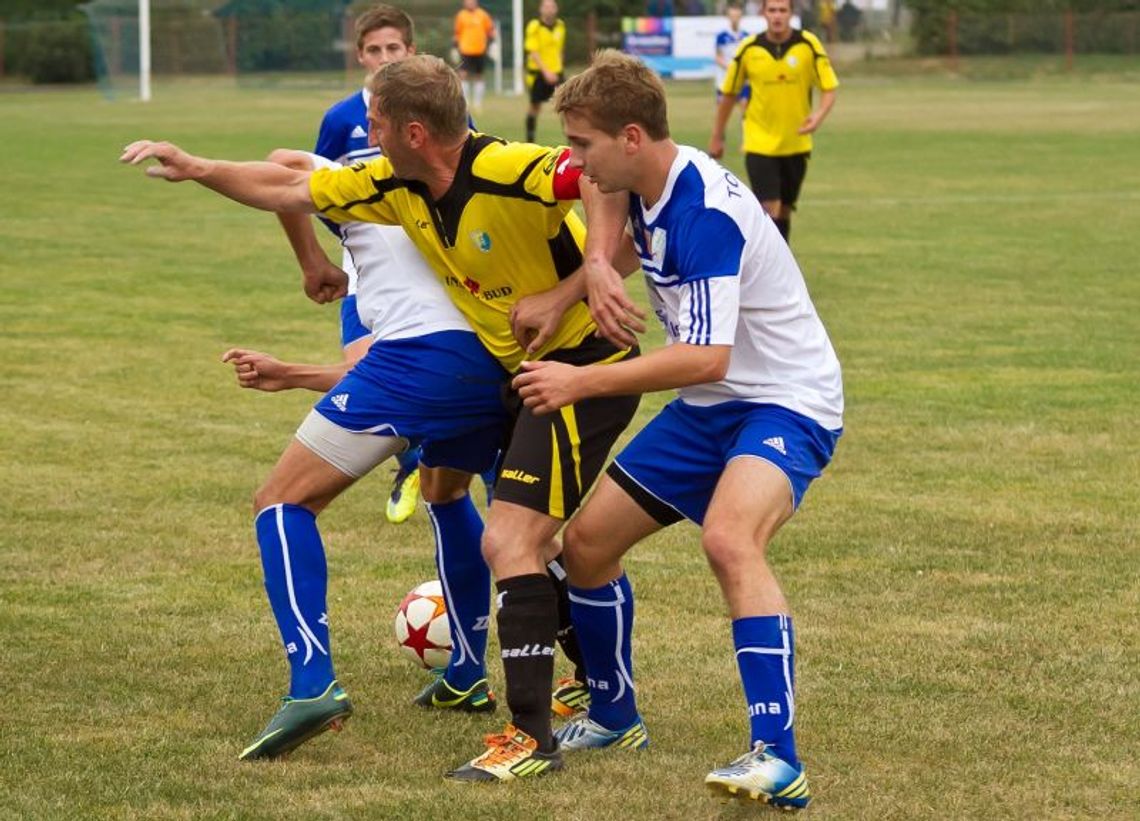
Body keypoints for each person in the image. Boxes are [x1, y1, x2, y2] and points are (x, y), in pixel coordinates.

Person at [121, 54, 641, 781]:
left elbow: (601, 172)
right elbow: (288, 183)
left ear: (416, 131)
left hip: (584, 366)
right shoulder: (390, 180)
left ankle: (525, 730)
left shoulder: (509, 167)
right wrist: (198, 166)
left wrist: (581, 280)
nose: (361, 133)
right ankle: (595, 703)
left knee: (510, 537)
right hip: (517, 376)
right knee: (519, 532)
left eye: (374, 123)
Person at [512, 49, 843, 809]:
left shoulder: (703, 212)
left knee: (730, 537)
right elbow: (618, 222)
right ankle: (615, 715)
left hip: (786, 402)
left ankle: (778, 755)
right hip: (712, 409)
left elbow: (703, 357)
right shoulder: (647, 178)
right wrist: (576, 284)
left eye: (584, 144)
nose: (575, 161)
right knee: (587, 546)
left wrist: (578, 379)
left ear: (631, 136)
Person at [314, 4, 426, 524]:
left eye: (394, 49)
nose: (384, 59)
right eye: (375, 50)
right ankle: (411, 459)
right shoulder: (340, 120)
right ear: (361, 55)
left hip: (427, 265)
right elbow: (314, 191)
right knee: (360, 366)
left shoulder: (437, 108)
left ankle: (448, 457)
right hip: (364, 268)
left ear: (411, 51)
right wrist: (349, 243)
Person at [709, 0, 838, 244]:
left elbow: (829, 88)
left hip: (796, 143)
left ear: (791, 13)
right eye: (772, 10)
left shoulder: (808, 44)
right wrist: (718, 135)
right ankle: (769, 274)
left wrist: (819, 115)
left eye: (782, 10)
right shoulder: (749, 49)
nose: (777, 16)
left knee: (784, 211)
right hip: (759, 142)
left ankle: (780, 269)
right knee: (770, 210)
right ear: (763, 13)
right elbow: (729, 95)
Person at [523, 0, 566, 143]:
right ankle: (530, 141)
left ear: (556, 9)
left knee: (566, 107)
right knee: (535, 107)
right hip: (539, 73)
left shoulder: (560, 26)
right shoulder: (534, 26)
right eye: (546, 6)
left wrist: (559, 69)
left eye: (552, 6)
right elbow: (533, 52)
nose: (549, 9)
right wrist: (546, 72)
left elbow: (559, 50)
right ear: (541, 9)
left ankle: (571, 141)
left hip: (557, 72)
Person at [453, 0, 496, 113]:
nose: (470, 3)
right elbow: (457, 33)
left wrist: (492, 44)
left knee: (479, 76)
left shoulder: (483, 15)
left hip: (480, 50)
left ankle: (477, 104)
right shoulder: (461, 16)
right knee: (463, 75)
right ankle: (465, 104)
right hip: (465, 50)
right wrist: (454, 47)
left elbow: (491, 31)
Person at [714, 2, 750, 112]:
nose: (735, 19)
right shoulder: (721, 36)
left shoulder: (746, 36)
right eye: (732, 16)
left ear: (741, 17)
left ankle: (745, 129)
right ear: (728, 17)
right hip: (724, 79)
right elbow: (717, 57)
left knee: (745, 107)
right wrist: (730, 67)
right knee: (722, 112)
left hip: (742, 79)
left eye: (737, 17)